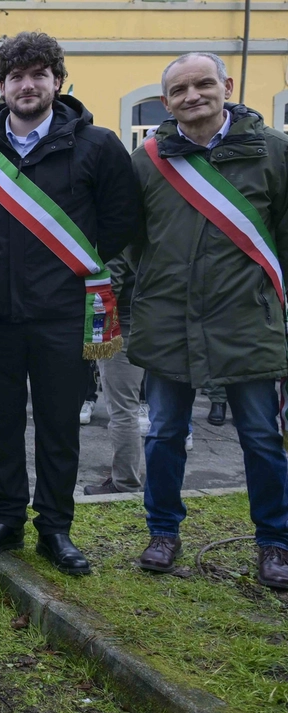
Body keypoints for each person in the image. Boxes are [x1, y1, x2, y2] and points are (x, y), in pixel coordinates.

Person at [0, 32, 142, 575]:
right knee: (3, 424)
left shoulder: (99, 145)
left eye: (39, 74)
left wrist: (85, 283)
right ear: (2, 87)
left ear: (58, 81)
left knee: (60, 426)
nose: (27, 85)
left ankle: (56, 528)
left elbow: (121, 224)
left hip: (64, 316)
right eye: (16, 76)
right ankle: (7, 518)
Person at [128, 52, 288, 587]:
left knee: (263, 438)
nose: (192, 96)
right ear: (167, 101)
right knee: (165, 434)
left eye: (203, 84)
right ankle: (163, 533)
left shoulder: (274, 153)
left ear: (228, 85)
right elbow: (131, 240)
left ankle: (275, 543)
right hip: (168, 321)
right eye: (179, 90)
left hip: (248, 323)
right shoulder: (148, 160)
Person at [84, 254, 144, 496]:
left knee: (123, 410)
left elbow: (110, 284)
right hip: (151, 317)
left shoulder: (123, 231)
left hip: (124, 323)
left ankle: (125, 482)